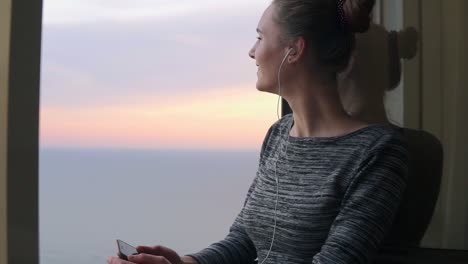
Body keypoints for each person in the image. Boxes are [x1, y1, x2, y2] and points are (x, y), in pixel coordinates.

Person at [107, 0, 408, 263]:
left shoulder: (378, 152)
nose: (252, 52)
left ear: (294, 49)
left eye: (260, 37)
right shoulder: (278, 135)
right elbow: (245, 239)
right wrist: (185, 262)